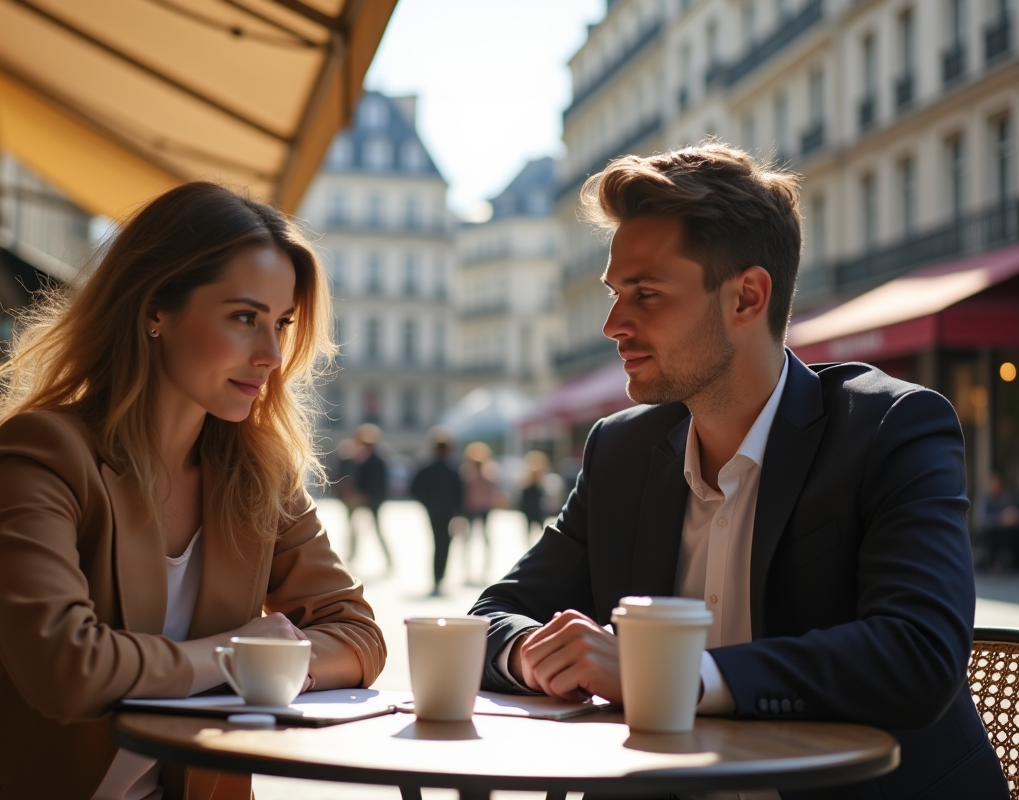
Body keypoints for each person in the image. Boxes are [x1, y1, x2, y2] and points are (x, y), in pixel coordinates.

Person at [470, 143, 1006, 799]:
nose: (614, 324)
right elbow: (493, 616)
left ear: (747, 297)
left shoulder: (890, 428)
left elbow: (916, 654)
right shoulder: (623, 452)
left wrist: (671, 676)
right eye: (616, 294)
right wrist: (535, 653)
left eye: (646, 294)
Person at [0, 182, 387, 800]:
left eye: (282, 324)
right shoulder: (41, 453)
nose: (271, 354)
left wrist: (267, 659)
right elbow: (68, 670)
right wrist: (237, 657)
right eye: (244, 317)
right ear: (154, 310)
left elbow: (357, 635)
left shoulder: (259, 476)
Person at [411, 429, 464, 596]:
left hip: (433, 510)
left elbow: (414, 489)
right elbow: (460, 494)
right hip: (448, 511)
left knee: (437, 543)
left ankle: (437, 577)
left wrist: (426, 503)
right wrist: (459, 513)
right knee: (445, 544)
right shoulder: (453, 469)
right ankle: (439, 577)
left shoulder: (426, 468)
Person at [344, 423, 393, 572]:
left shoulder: (372, 459)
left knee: (372, 529)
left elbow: (372, 481)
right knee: (358, 527)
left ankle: (385, 559)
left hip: (370, 498)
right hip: (370, 497)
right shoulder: (370, 458)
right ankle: (353, 555)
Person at [460, 441, 500, 586]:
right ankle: (471, 568)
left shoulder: (480, 471)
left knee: (477, 539)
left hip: (479, 508)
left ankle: (481, 569)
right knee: (472, 539)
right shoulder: (472, 471)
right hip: (476, 508)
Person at [976, 471, 1019, 571]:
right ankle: (992, 563)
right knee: (994, 535)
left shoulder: (1007, 497)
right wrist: (1000, 519)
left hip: (1006, 532)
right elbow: (981, 520)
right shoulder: (984, 499)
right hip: (989, 532)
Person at [518, 450, 550, 542]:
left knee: (534, 529)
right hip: (535, 511)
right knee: (537, 529)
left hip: (533, 511)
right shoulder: (536, 487)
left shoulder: (532, 486)